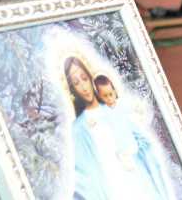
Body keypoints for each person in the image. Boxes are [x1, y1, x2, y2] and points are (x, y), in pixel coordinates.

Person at [64, 57, 173, 200]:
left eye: (84, 78)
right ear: (73, 89)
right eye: (76, 83)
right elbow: (84, 174)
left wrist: (132, 152)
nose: (83, 87)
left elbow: (142, 143)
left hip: (136, 180)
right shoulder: (78, 128)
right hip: (112, 189)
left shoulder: (114, 109)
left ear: (91, 78)